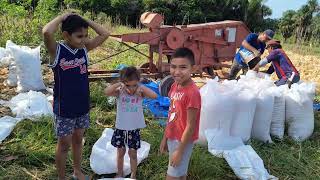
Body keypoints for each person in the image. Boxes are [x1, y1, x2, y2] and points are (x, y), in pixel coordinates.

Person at [42, 13, 110, 180]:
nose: (84, 39)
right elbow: (47, 32)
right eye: (80, 36)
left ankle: (77, 171)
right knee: (64, 144)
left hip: (82, 104)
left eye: (86, 36)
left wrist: (84, 20)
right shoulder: (57, 51)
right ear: (66, 35)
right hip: (64, 107)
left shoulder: (84, 49)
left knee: (78, 139)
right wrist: (61, 17)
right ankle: (62, 177)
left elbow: (105, 34)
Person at [104, 66, 157, 179]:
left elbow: (154, 95)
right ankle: (120, 172)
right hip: (121, 128)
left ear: (138, 82)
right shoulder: (120, 92)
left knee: (133, 153)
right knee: (121, 152)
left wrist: (141, 87)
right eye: (128, 85)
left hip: (133, 129)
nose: (131, 88)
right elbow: (106, 92)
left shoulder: (140, 93)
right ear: (123, 83)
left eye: (134, 85)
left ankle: (133, 175)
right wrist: (119, 84)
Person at [159, 48, 201, 180]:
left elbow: (190, 126)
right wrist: (165, 138)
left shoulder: (192, 93)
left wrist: (179, 151)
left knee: (171, 176)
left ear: (193, 69)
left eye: (183, 67)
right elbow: (171, 114)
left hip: (182, 140)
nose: (177, 72)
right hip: (173, 137)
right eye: (173, 67)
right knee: (180, 173)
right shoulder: (174, 86)